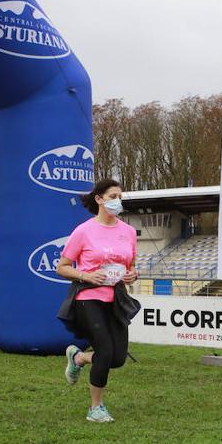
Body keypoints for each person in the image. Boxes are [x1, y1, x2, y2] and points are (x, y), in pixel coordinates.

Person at [54, 178, 140, 423]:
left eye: (120, 197)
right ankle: (96, 408)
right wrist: (87, 275)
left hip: (116, 299)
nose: (118, 201)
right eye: (113, 196)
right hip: (88, 297)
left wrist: (133, 274)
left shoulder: (129, 232)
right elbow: (62, 267)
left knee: (117, 358)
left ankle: (79, 358)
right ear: (99, 199)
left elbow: (130, 267)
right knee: (104, 349)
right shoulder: (83, 231)